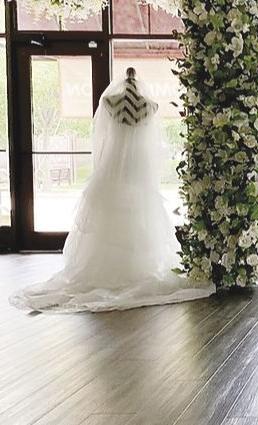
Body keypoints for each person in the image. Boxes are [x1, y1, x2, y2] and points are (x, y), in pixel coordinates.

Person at [9, 68, 214, 313]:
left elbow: (100, 137)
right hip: (137, 168)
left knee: (111, 217)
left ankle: (109, 271)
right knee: (137, 217)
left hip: (114, 166)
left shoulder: (110, 102)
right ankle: (133, 270)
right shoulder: (149, 106)